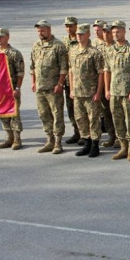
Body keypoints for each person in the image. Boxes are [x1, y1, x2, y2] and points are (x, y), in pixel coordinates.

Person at [104, 20, 130, 161]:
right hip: (114, 92)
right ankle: (123, 147)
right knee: (117, 120)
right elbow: (107, 71)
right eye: (113, 32)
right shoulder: (110, 51)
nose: (115, 34)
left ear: (124, 31)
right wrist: (107, 89)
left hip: (127, 93)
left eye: (118, 31)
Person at [30, 20, 68, 154]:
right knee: (43, 114)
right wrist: (33, 82)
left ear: (49, 30)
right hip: (40, 87)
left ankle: (58, 142)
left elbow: (64, 68)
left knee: (57, 114)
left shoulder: (58, 46)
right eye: (38, 31)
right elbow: (33, 66)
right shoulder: (36, 45)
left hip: (53, 88)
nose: (40, 33)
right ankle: (49, 140)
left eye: (43, 30)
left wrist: (60, 84)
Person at [68, 23, 105, 158]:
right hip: (78, 92)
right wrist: (71, 89)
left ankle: (95, 144)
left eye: (82, 34)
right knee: (80, 119)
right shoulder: (72, 51)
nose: (79, 36)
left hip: (91, 93)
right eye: (78, 34)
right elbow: (71, 71)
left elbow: (101, 73)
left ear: (88, 35)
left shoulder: (94, 53)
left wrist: (98, 92)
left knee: (93, 119)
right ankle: (87, 142)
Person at [0, 28, 24, 150]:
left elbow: (20, 73)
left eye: (1, 37)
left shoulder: (14, 53)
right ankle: (9, 137)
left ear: (7, 37)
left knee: (14, 114)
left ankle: (17, 139)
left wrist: (17, 88)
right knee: (3, 114)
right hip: (0, 90)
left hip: (11, 89)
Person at [62, 16, 81, 145]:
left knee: (81, 110)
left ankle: (85, 134)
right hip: (69, 81)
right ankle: (76, 132)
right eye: (67, 26)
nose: (69, 28)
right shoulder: (64, 42)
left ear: (76, 26)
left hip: (81, 81)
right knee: (71, 109)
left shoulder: (81, 39)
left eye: (71, 26)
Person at [98, 23, 117, 148]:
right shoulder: (99, 48)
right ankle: (112, 135)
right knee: (106, 113)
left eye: (108, 32)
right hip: (103, 86)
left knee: (117, 113)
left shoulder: (118, 47)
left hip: (116, 86)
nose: (105, 34)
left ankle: (120, 137)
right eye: (104, 32)